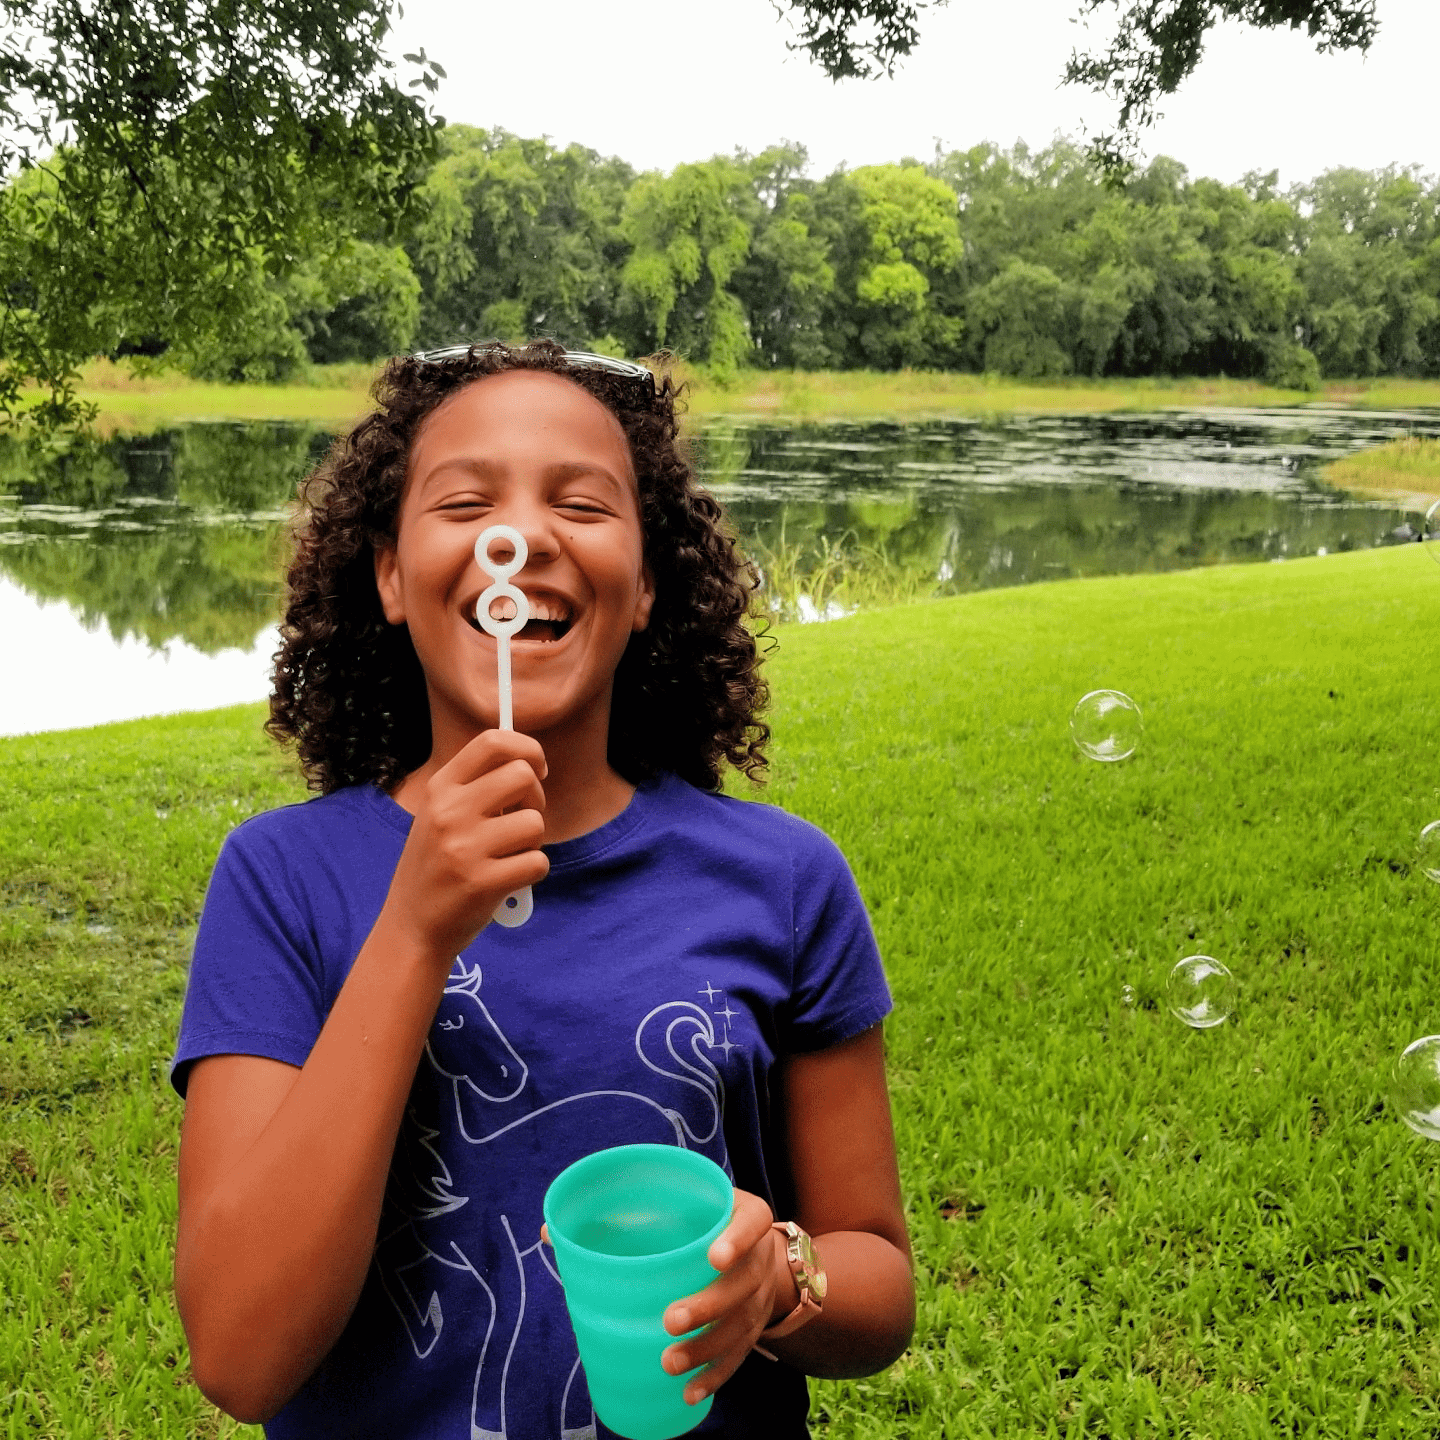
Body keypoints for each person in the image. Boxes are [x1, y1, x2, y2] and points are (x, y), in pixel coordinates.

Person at [171, 339, 915, 1439]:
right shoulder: (283, 881)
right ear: (387, 572)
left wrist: (783, 1281)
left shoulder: (786, 881)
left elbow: (880, 1281)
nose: (520, 542)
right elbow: (240, 1352)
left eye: (582, 503)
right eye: (466, 501)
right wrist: (417, 928)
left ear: (649, 583)